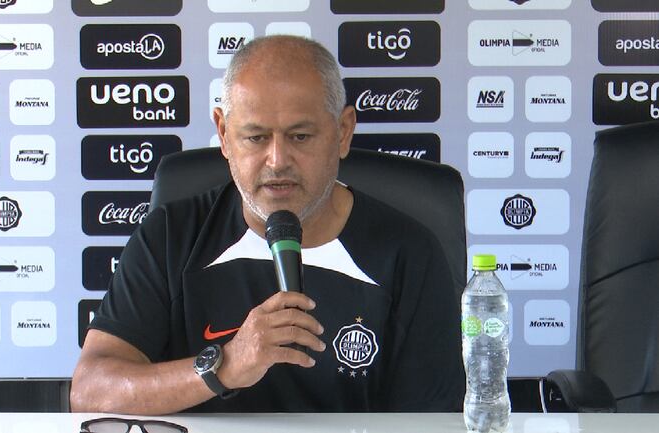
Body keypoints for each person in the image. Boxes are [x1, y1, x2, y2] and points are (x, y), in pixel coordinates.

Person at [71, 35, 464, 414]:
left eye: (300, 136)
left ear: (343, 132)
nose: (277, 160)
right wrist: (224, 366)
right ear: (224, 134)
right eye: (256, 137)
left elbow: (432, 422)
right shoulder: (171, 235)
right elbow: (91, 391)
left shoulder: (410, 253)